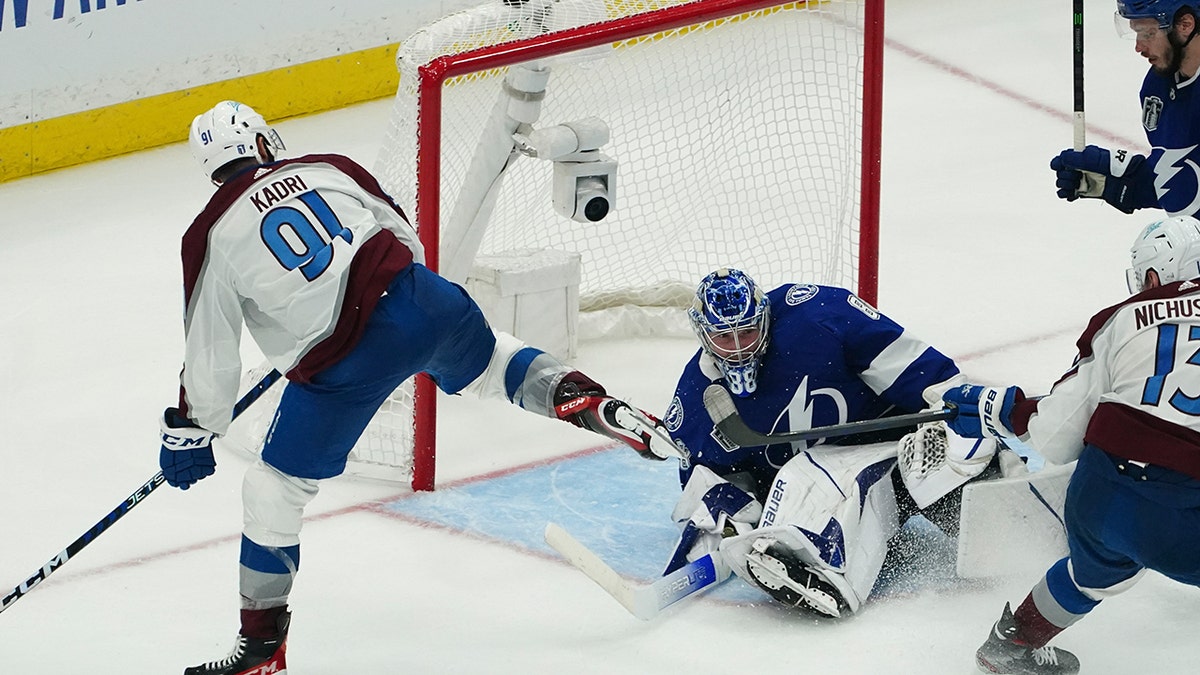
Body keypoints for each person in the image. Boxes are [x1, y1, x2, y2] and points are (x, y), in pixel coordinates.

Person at [160, 100, 680, 675]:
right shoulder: (329, 166)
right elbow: (403, 237)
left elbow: (210, 348)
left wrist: (193, 428)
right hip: (422, 298)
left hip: (343, 362)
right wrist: (408, 316)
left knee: (273, 490)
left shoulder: (208, 232)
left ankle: (260, 652)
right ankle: (586, 399)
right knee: (491, 363)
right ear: (262, 143)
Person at [659, 268, 1009, 618]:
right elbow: (711, 482)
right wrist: (734, 514)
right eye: (724, 337)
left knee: (997, 535)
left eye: (747, 331)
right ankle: (818, 570)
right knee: (814, 483)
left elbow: (918, 370)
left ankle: (1015, 505)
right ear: (703, 334)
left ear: (765, 316)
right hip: (823, 487)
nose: (738, 348)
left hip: (904, 447)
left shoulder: (820, 314)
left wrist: (959, 408)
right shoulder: (697, 398)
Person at [943, 215, 1200, 675]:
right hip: (1185, 505)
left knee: (1094, 570)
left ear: (1157, 275)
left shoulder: (1120, 319)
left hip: (1099, 494)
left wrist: (1008, 412)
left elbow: (1053, 436)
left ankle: (1013, 643)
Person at [1051, 1, 1200, 217]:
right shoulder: (1156, 87)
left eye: (1147, 33)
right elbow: (1181, 179)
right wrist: (1116, 183)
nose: (1138, 47)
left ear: (1185, 25)